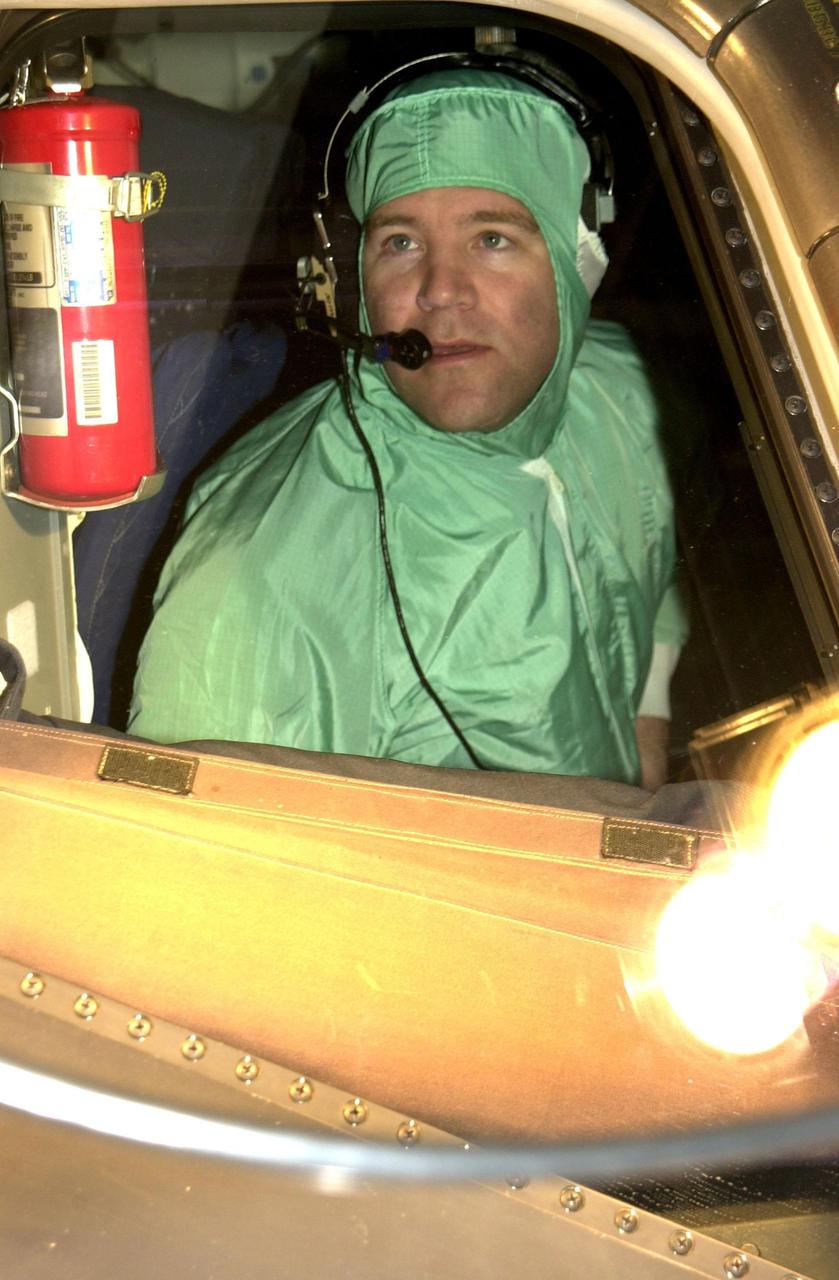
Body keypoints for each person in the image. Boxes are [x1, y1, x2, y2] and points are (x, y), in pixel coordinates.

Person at [129, 68, 687, 788]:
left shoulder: (618, 394)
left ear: (574, 260)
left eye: (491, 238)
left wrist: (647, 735)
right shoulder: (256, 578)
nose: (440, 290)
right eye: (399, 242)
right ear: (352, 275)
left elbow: (648, 572)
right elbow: (207, 873)